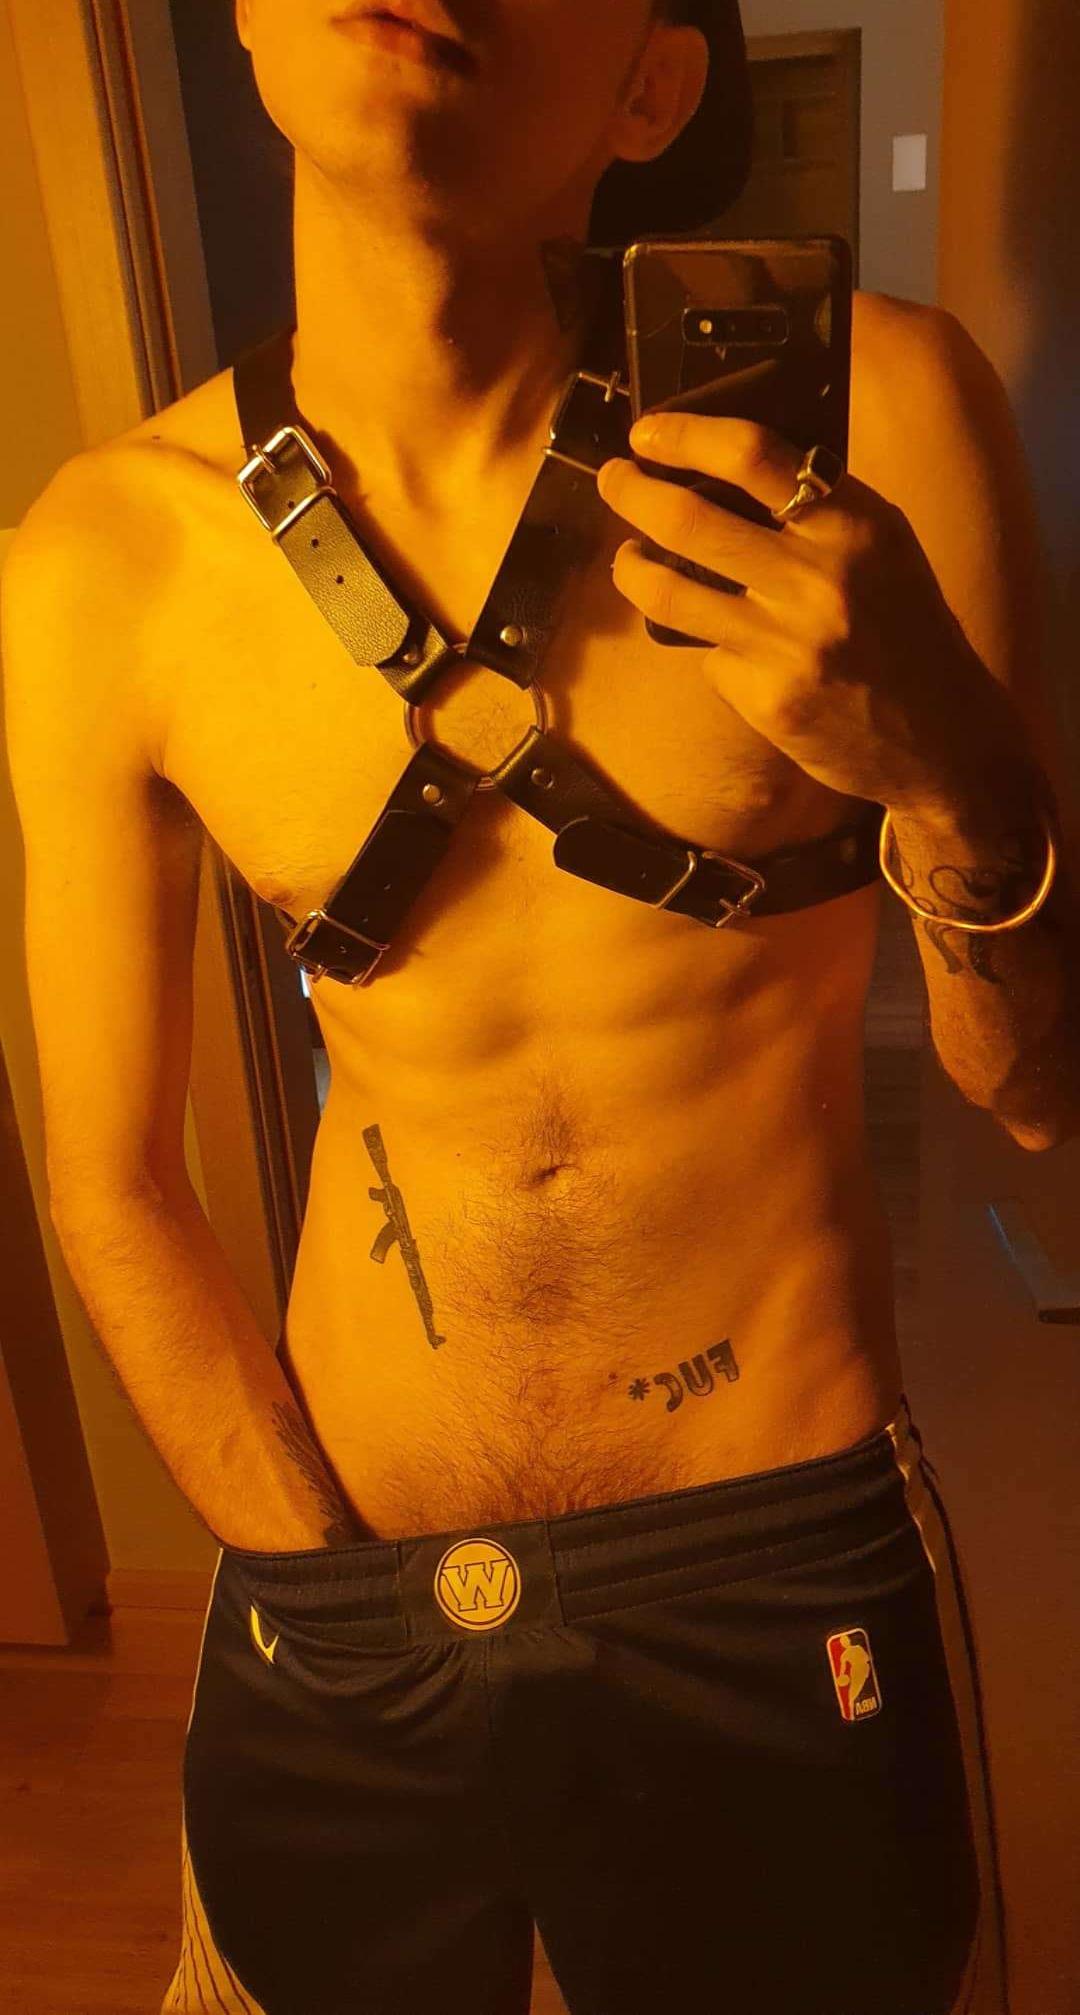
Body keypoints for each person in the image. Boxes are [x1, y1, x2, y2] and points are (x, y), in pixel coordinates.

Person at [2, 2, 1077, 2009]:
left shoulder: (885, 421)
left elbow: (1039, 1093)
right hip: (327, 1564)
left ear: (653, 86)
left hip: (776, 1567)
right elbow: (112, 1185)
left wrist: (945, 765)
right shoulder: (97, 563)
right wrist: (313, 1584)